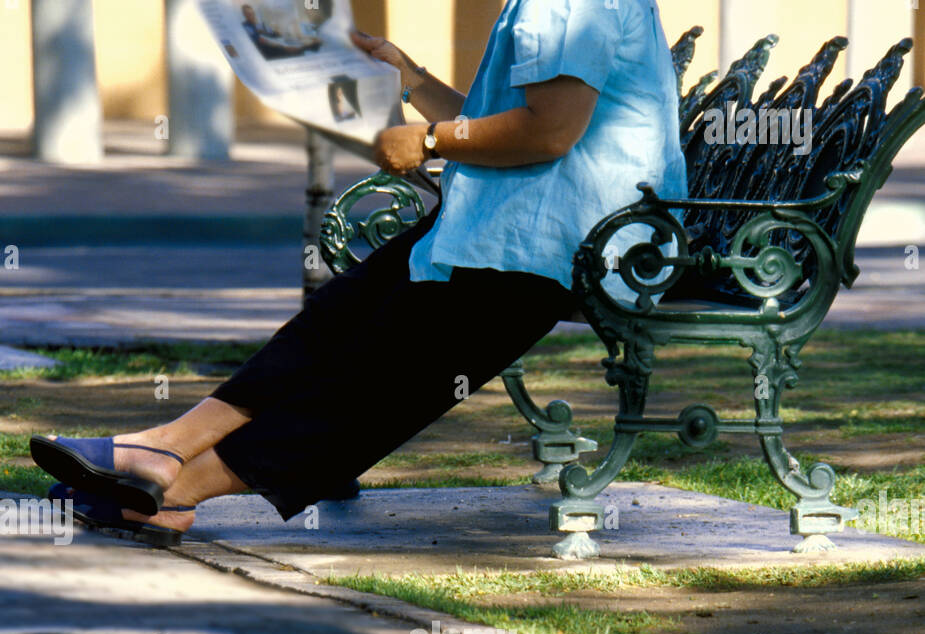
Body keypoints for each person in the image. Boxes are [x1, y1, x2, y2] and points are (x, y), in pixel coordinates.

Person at [31, 1, 686, 544]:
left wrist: (430, 141)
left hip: (565, 245)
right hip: (506, 228)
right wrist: (410, 78)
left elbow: (548, 133)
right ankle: (166, 446)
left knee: (378, 372)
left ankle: (174, 491)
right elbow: (509, 119)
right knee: (332, 322)